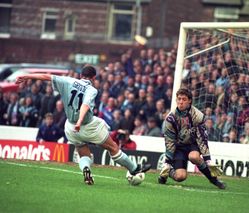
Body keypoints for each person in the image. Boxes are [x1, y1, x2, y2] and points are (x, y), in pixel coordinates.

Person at [15, 65, 151, 185]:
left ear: (80, 75)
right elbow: (85, 105)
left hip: (70, 127)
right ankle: (134, 168)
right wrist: (80, 121)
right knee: (113, 148)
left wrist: (26, 76)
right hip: (87, 125)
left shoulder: (68, 80)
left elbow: (46, 76)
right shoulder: (92, 90)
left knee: (83, 152)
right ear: (93, 77)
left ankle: (86, 169)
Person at [158, 88, 226, 189]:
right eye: (179, 99)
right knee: (180, 177)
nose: (181, 102)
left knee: (194, 157)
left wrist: (208, 160)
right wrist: (167, 162)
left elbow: (202, 139)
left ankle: (214, 180)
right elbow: (169, 141)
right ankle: (168, 173)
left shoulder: (198, 116)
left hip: (193, 144)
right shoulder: (170, 118)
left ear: (190, 100)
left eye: (184, 99)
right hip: (179, 148)